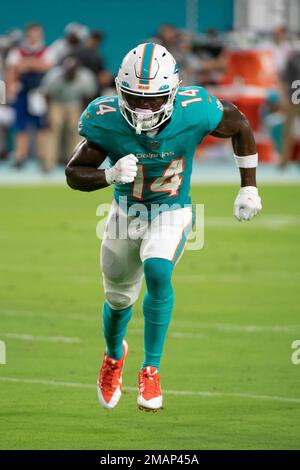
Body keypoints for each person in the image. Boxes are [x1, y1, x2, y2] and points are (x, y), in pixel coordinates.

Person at [65, 43, 262, 412]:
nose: (142, 109)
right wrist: (108, 175)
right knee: (118, 299)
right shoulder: (104, 117)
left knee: (158, 268)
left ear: (172, 92)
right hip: (125, 214)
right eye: (134, 99)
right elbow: (73, 174)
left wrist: (249, 186)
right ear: (119, 92)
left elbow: (241, 125)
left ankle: (151, 368)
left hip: (172, 209)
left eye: (153, 100)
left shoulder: (196, 109)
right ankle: (112, 357)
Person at [5, 23, 55, 168]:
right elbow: (12, 69)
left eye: (37, 34)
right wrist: (9, 91)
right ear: (27, 35)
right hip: (21, 93)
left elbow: (47, 65)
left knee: (41, 126)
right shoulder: (17, 51)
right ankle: (21, 157)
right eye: (32, 34)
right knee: (21, 127)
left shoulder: (47, 50)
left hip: (39, 93)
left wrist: (25, 64)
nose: (35, 37)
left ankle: (42, 157)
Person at [41, 57, 97, 171]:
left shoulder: (86, 77)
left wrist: (85, 115)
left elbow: (88, 97)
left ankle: (74, 162)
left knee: (77, 132)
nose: (70, 73)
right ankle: (48, 164)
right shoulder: (54, 76)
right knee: (52, 132)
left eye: (73, 71)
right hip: (57, 103)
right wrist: (48, 115)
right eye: (68, 71)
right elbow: (47, 96)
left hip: (75, 104)